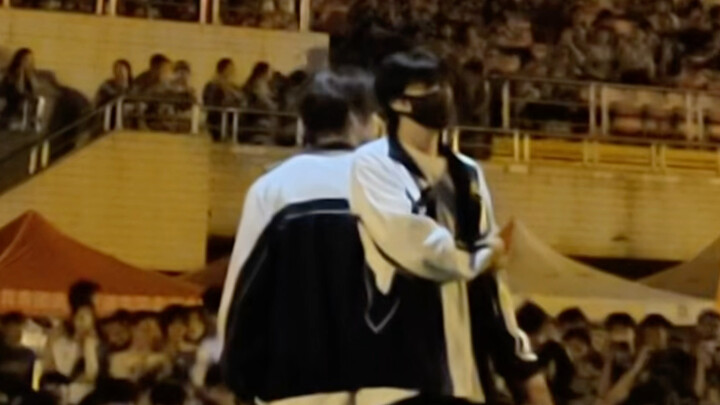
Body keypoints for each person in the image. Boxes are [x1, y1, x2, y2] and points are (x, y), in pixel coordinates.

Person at [349, 48, 552, 405]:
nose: (443, 94)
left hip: (465, 377)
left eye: (443, 85)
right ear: (399, 103)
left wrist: (518, 361)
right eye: (429, 87)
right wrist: (486, 254)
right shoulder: (374, 165)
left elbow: (492, 286)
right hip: (399, 379)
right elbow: (418, 248)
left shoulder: (467, 173)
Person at [219, 69, 377, 405]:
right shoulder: (396, 191)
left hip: (290, 387)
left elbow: (242, 297)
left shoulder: (272, 189)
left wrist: (240, 379)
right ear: (357, 121)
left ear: (303, 124)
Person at [43, 281, 102, 405]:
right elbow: (48, 364)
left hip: (82, 394)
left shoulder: (94, 338)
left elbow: (91, 373)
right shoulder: (59, 334)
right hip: (64, 391)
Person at [202, 58, 246, 142]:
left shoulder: (233, 86)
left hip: (231, 121)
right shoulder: (212, 85)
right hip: (217, 120)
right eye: (230, 69)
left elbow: (241, 99)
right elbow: (210, 102)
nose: (233, 72)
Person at [0, 48, 40, 130]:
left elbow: (36, 89)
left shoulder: (32, 74)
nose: (28, 62)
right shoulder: (11, 75)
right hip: (13, 106)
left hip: (27, 108)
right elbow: (19, 90)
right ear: (19, 60)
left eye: (31, 60)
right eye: (26, 59)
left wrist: (29, 74)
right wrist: (21, 73)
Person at [0, 312, 36, 401]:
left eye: (20, 326)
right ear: (4, 328)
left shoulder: (28, 354)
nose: (18, 329)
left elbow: (31, 384)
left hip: (21, 398)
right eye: (14, 326)